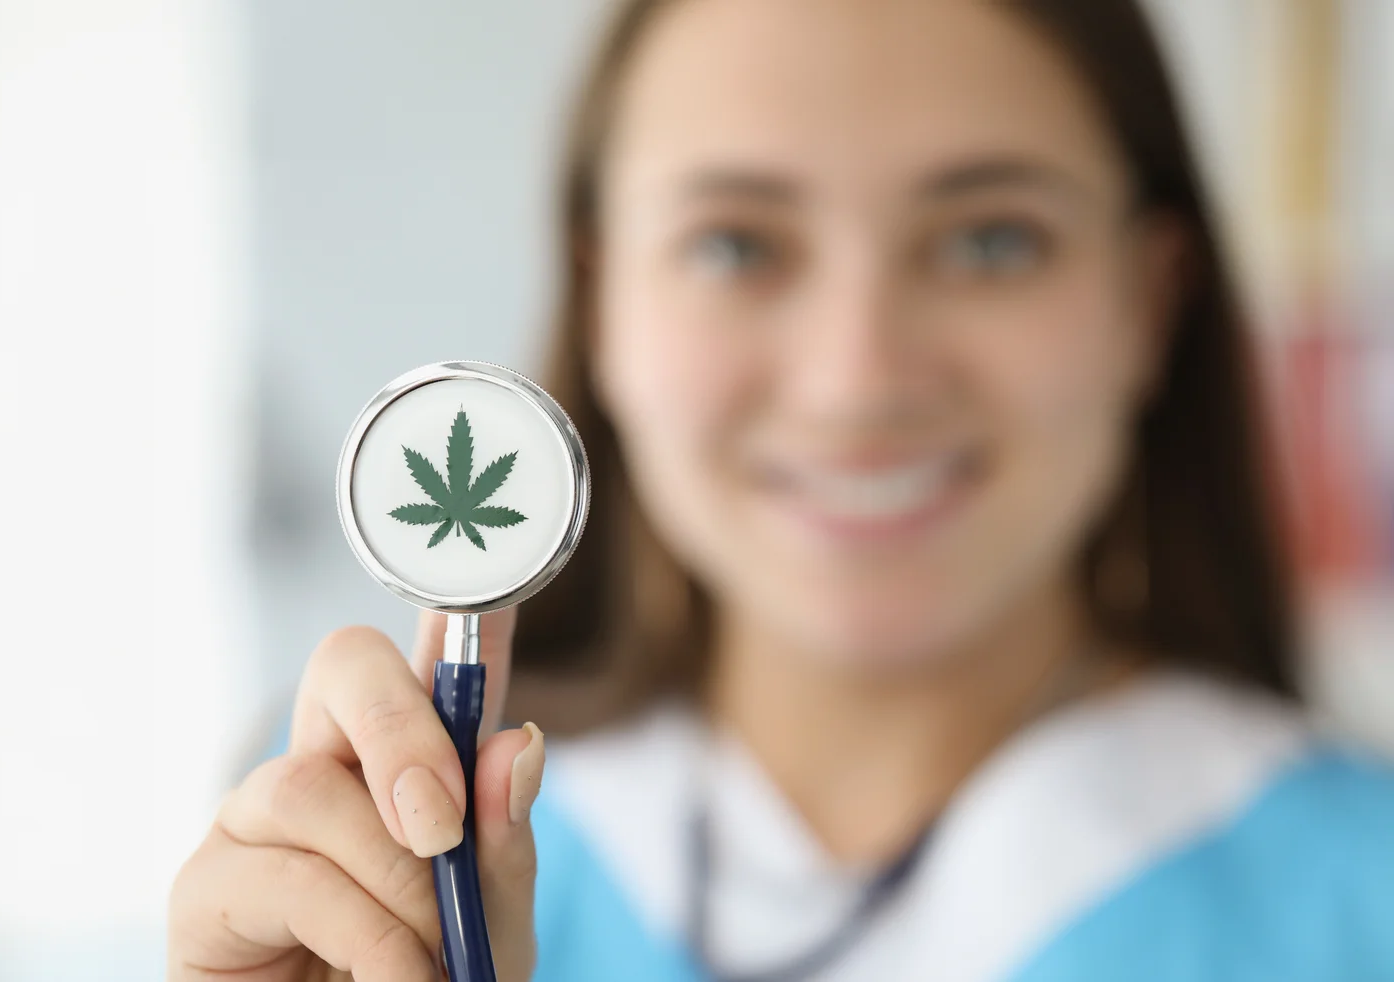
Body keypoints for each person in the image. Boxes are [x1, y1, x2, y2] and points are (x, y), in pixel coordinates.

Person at [168, 1, 1394, 979]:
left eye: (990, 239)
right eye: (734, 244)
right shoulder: (359, 865)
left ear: (1149, 300)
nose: (855, 379)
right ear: (603, 300)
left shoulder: (1359, 896)